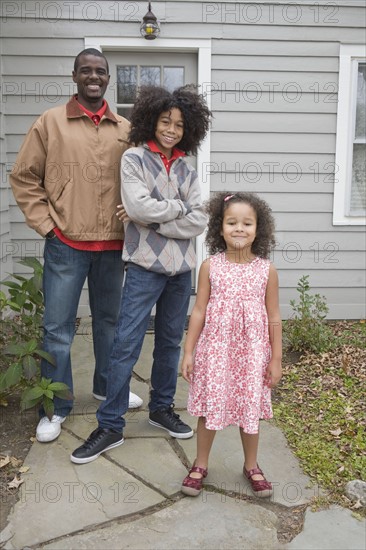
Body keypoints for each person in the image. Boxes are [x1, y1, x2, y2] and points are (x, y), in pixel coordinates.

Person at [70, 85, 212, 464]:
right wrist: (165, 211)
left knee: (168, 343)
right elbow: (136, 203)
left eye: (180, 125)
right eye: (166, 121)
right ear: (152, 120)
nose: (171, 129)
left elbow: (199, 219)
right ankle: (110, 425)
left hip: (182, 271)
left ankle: (161, 408)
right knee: (125, 345)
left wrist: (151, 219)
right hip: (145, 268)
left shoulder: (187, 168)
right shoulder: (134, 159)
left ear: (188, 130)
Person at [10, 48, 142, 444]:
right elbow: (23, 177)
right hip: (65, 243)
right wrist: (47, 227)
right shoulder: (50, 123)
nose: (93, 77)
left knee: (110, 325)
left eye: (100, 71)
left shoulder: (125, 128)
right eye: (86, 70)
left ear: (107, 79)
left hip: (112, 246)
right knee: (58, 329)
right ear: (74, 76)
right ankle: (57, 406)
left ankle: (105, 387)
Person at [180, 191, 282, 498]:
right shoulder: (211, 267)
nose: (239, 228)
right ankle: (200, 463)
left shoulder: (267, 270)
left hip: (252, 356)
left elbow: (274, 317)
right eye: (231, 222)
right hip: (215, 352)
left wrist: (275, 358)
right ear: (219, 228)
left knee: (249, 406)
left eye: (247, 223)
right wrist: (189, 351)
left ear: (258, 229)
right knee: (210, 404)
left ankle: (251, 465)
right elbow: (198, 310)